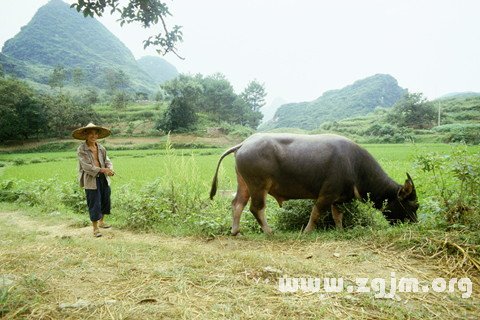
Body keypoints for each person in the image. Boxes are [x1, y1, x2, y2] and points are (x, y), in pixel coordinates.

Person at [72, 123, 115, 237]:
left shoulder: (101, 148)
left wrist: (110, 169)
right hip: (91, 179)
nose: (94, 136)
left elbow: (107, 161)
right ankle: (95, 228)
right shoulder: (82, 149)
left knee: (105, 199)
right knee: (94, 202)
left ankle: (101, 222)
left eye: (96, 133)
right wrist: (103, 170)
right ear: (85, 135)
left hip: (103, 177)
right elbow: (86, 167)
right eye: (91, 133)